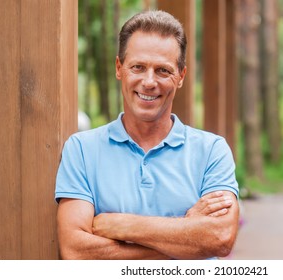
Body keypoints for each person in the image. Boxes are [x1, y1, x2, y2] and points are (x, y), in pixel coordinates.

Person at [55, 10, 239, 260]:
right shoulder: (81, 149)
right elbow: (76, 251)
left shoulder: (212, 151)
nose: (149, 82)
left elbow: (219, 238)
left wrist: (119, 225)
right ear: (119, 68)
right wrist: (186, 236)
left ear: (181, 76)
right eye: (138, 67)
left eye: (163, 70)